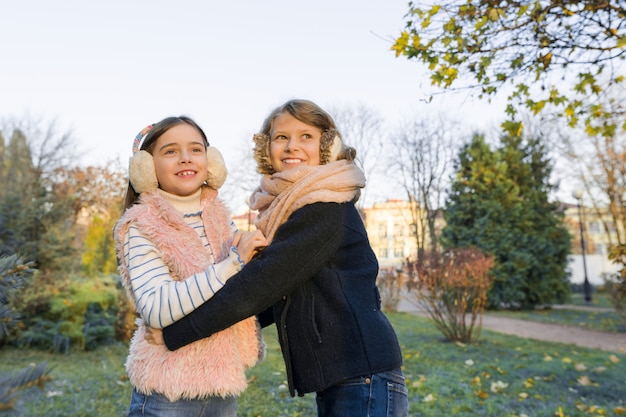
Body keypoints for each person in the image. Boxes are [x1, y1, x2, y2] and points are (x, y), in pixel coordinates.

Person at [152, 100, 409, 417]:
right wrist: (210, 332)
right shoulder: (294, 208)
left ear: (327, 147)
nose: (292, 146)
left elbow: (260, 285)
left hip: (362, 375)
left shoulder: (324, 209)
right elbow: (274, 297)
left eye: (306, 137)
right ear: (266, 146)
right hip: (348, 376)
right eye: (281, 137)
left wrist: (178, 333)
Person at [113, 116, 268, 417]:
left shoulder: (219, 218)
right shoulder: (142, 225)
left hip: (222, 386)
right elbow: (157, 307)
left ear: (211, 162)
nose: (185, 157)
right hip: (167, 390)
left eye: (195, 149)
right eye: (170, 151)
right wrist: (232, 264)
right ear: (146, 167)